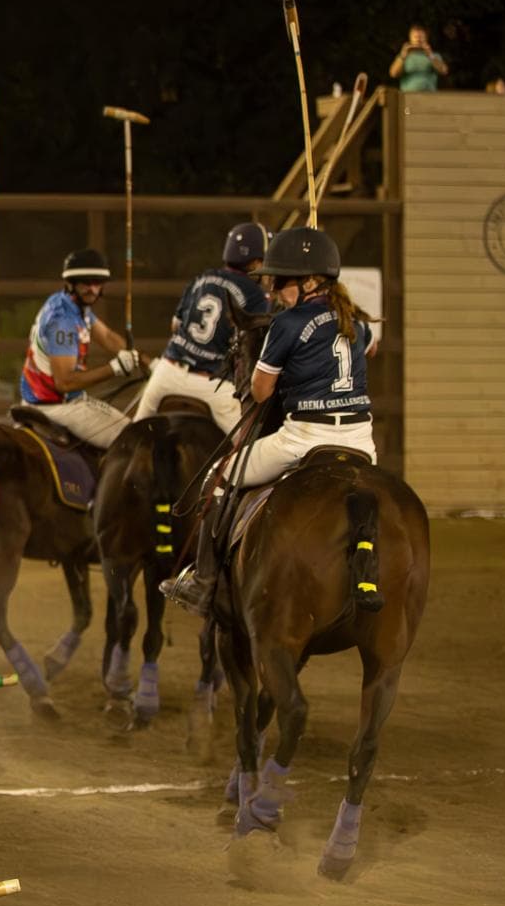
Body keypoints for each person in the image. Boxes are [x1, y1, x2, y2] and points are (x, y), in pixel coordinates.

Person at [161, 227, 378, 617]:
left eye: (281, 281)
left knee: (219, 474)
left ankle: (203, 582)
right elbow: (370, 347)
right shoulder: (357, 322)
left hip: (304, 438)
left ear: (311, 281)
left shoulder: (287, 323)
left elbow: (261, 392)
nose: (275, 291)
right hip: (361, 443)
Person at [133, 222, 271, 433]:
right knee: (247, 454)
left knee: (131, 436)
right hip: (212, 385)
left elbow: (174, 325)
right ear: (253, 263)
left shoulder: (202, 277)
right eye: (264, 260)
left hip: (167, 372)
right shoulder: (254, 294)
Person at [17, 248, 143, 449]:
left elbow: (108, 337)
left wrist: (143, 360)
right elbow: (65, 383)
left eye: (97, 283)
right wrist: (115, 368)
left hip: (66, 401)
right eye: (86, 283)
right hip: (56, 407)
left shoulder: (72, 306)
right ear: (71, 284)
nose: (92, 289)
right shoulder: (63, 321)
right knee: (134, 442)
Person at [389, 24, 448, 92]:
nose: (418, 39)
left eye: (421, 36)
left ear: (426, 38)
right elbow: (393, 74)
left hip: (429, 97)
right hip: (407, 97)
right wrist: (403, 56)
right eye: (415, 36)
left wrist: (430, 55)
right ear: (410, 38)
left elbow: (444, 71)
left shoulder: (434, 56)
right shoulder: (403, 56)